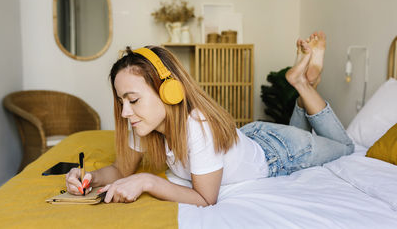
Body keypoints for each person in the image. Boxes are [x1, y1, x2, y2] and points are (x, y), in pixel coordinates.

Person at [65, 31, 354, 206]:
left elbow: (206, 199)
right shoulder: (141, 122)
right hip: (252, 135)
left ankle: (301, 84)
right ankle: (307, 83)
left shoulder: (197, 126)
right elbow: (119, 169)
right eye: (121, 102)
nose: (125, 112)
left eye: (134, 100)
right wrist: (89, 178)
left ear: (170, 90)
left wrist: (147, 182)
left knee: (344, 146)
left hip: (280, 152)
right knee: (302, 132)